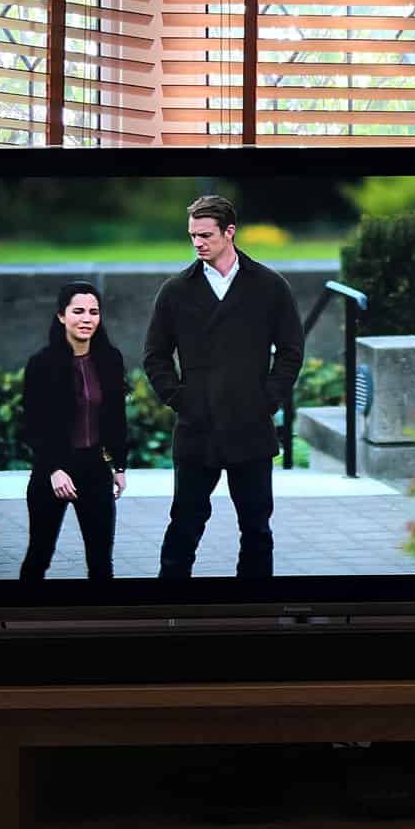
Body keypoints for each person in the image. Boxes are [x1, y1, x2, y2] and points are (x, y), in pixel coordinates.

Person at [143, 195, 304, 578]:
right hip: (197, 428)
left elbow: (291, 351)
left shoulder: (269, 286)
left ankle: (255, 605)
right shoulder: (176, 291)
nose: (197, 243)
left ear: (229, 232)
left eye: (206, 235)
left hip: (251, 426)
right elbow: (155, 356)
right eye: (192, 235)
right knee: (184, 524)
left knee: (256, 528)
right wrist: (181, 400)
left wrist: (266, 400)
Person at [20, 280, 128, 580]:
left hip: (94, 469)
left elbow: (117, 418)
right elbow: (32, 425)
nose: (86, 319)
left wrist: (119, 466)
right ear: (61, 316)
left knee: (101, 562)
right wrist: (54, 468)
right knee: (39, 555)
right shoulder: (42, 363)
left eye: (93, 312)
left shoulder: (110, 359)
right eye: (78, 311)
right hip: (52, 471)